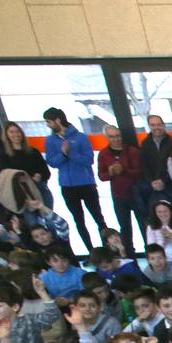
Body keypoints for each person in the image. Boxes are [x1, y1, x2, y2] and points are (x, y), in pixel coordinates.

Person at [42, 107, 107, 253]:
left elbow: (88, 160)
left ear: (58, 120)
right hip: (67, 186)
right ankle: (91, 252)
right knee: (79, 220)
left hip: (86, 183)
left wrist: (70, 153)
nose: (48, 125)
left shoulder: (80, 137)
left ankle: (107, 249)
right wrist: (63, 155)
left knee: (98, 217)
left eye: (49, 121)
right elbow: (52, 162)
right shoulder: (50, 141)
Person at [97, 125, 143, 253]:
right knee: (125, 228)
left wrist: (124, 170)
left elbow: (140, 172)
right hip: (118, 196)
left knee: (143, 226)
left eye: (117, 136)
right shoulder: (103, 154)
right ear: (107, 137)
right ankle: (129, 256)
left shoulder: (132, 151)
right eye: (112, 137)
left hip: (135, 194)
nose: (116, 139)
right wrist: (111, 173)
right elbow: (101, 176)